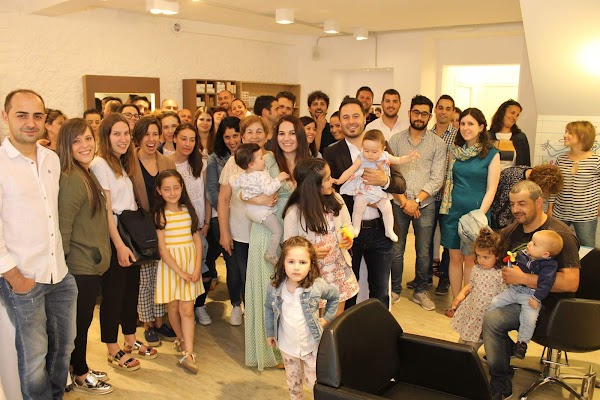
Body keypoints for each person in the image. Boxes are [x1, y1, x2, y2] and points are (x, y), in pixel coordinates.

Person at [0, 89, 78, 399]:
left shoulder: (51, 159)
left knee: (63, 349)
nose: (31, 123)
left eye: (37, 116)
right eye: (22, 115)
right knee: (34, 360)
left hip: (59, 274)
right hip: (23, 277)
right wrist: (14, 277)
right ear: (5, 117)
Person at [482, 180, 580, 400]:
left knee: (492, 320)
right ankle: (503, 354)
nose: (515, 209)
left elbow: (571, 282)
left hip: (550, 306)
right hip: (518, 296)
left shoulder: (559, 234)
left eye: (522, 204)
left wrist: (525, 279)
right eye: (512, 204)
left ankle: (500, 387)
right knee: (481, 306)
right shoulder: (513, 230)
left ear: (538, 202)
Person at [90, 113, 157, 372]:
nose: (123, 138)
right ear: (105, 137)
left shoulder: (122, 163)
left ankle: (130, 339)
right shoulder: (100, 164)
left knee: (131, 291)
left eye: (126, 133)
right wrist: (118, 245)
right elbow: (107, 211)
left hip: (130, 236)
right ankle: (112, 347)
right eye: (116, 134)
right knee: (113, 295)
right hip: (115, 237)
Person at [324, 97, 406, 308]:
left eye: (355, 116)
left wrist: (384, 181)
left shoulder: (380, 146)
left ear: (365, 118)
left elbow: (400, 184)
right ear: (339, 121)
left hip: (381, 231)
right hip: (349, 230)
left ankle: (379, 329)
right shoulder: (332, 152)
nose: (351, 121)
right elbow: (330, 191)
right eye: (345, 117)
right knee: (348, 290)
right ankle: (347, 329)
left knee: (380, 291)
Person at [245, 115, 310, 370]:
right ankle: (269, 352)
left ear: (300, 135)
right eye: (281, 133)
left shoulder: (308, 162)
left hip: (297, 233)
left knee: (292, 294)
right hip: (268, 232)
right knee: (268, 292)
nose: (286, 138)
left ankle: (292, 348)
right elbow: (242, 188)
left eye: (292, 133)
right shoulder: (269, 160)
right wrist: (258, 200)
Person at [57, 118, 113, 395]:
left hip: (89, 265)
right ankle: (80, 373)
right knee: (79, 325)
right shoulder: (71, 178)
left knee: (82, 322)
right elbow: (63, 228)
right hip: (79, 267)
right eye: (76, 141)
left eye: (88, 138)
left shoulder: (85, 173)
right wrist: (64, 268)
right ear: (66, 145)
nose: (84, 145)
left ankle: (79, 366)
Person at [387, 95, 446, 310]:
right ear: (409, 113)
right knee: (396, 249)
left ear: (430, 116)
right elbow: (390, 174)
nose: (419, 117)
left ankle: (420, 291)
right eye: (416, 112)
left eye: (424, 114)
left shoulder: (438, 144)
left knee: (424, 251)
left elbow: (437, 178)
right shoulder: (395, 140)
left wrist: (416, 201)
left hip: (425, 205)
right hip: (398, 203)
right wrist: (405, 202)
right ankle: (394, 289)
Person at [264, 236, 340, 400]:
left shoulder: (317, 285)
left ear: (311, 264)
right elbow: (269, 308)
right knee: (293, 384)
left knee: (315, 384)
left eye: (303, 262)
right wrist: (270, 333)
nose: (296, 267)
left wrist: (326, 318)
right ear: (283, 264)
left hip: (311, 346)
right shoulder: (276, 288)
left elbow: (334, 297)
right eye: (291, 262)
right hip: (288, 347)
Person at [440, 108, 501, 304]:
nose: (465, 128)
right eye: (463, 123)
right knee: (454, 257)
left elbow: (492, 189)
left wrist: (478, 216)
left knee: (470, 260)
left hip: (476, 215)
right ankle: (455, 302)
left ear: (481, 127)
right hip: (452, 211)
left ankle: (466, 302)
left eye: (471, 124)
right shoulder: (455, 151)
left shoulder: (491, 154)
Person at [283, 158, 358, 315]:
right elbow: (288, 246)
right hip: (312, 274)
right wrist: (309, 252)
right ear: (314, 185)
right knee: (315, 320)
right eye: (328, 179)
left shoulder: (336, 200)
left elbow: (348, 225)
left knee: (336, 318)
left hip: (338, 269)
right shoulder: (295, 212)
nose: (332, 181)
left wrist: (348, 237)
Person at [218, 116, 270, 328]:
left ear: (267, 136)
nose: (254, 136)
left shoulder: (272, 160)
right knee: (241, 275)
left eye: (259, 131)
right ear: (242, 136)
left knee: (263, 278)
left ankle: (260, 319)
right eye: (249, 132)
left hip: (266, 231)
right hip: (239, 231)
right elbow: (223, 200)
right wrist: (224, 232)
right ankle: (240, 307)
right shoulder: (233, 162)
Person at [130, 115, 177, 346]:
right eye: (146, 134)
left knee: (161, 276)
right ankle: (147, 323)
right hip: (140, 227)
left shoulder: (166, 162)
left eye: (155, 134)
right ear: (138, 137)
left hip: (163, 224)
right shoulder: (129, 161)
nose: (151, 139)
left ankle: (160, 321)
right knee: (146, 278)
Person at [154, 169, 204, 374]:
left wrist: (197, 267)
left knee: (187, 309)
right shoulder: (160, 215)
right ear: (159, 191)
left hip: (190, 265)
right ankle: (181, 339)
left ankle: (189, 353)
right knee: (173, 308)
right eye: (167, 189)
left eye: (176, 187)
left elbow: (197, 240)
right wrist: (180, 272)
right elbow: (162, 248)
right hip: (171, 267)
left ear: (182, 187)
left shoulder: (188, 210)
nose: (172, 192)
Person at [333, 129, 418, 242]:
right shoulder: (361, 157)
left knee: (387, 209)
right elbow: (350, 170)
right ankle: (356, 228)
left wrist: (409, 158)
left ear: (383, 149)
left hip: (380, 191)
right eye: (366, 150)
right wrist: (339, 180)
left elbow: (399, 160)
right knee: (358, 207)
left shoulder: (385, 156)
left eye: (374, 152)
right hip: (364, 190)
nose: (369, 154)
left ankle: (389, 230)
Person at [488, 229, 562, 359]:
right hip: (514, 290)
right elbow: (512, 260)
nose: (529, 244)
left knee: (529, 318)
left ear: (545, 254)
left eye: (534, 244)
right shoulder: (523, 254)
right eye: (531, 241)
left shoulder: (549, 266)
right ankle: (485, 330)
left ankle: (522, 343)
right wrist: (509, 260)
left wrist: (536, 297)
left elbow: (546, 284)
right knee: (494, 302)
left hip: (530, 295)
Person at [205, 117, 241, 325]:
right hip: (222, 218)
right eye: (227, 137)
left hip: (247, 218)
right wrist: (227, 209)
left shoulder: (251, 155)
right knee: (232, 263)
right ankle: (235, 304)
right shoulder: (214, 159)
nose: (232, 141)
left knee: (247, 264)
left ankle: (250, 304)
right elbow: (212, 190)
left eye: (235, 135)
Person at [230, 143, 289, 264]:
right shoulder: (260, 176)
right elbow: (269, 190)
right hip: (261, 211)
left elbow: (234, 184)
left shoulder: (243, 175)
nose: (264, 160)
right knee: (278, 231)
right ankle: (271, 254)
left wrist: (234, 179)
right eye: (261, 158)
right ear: (251, 164)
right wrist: (279, 178)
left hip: (250, 210)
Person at [450, 228, 505, 351]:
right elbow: (472, 284)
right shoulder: (476, 269)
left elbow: (504, 294)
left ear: (497, 256)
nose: (481, 260)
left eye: (486, 257)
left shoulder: (500, 273)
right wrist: (461, 294)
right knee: (461, 343)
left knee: (471, 347)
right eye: (478, 256)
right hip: (472, 310)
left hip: (485, 314)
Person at [549, 120, 600, 247]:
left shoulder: (596, 161)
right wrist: (550, 207)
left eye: (570, 133)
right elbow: (554, 184)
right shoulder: (561, 159)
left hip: (586, 215)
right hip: (560, 212)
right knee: (554, 246)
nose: (565, 135)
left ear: (583, 136)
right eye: (566, 132)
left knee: (587, 248)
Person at [428, 95, 458, 297]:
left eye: (448, 108)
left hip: (449, 196)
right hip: (430, 195)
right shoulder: (427, 134)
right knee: (427, 239)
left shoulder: (458, 136)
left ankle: (445, 279)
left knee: (448, 240)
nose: (444, 112)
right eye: (440, 107)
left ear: (453, 112)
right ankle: (425, 276)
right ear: (435, 110)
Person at [490, 164, 563, 230]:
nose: (544, 196)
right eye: (545, 192)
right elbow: (502, 211)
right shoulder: (514, 181)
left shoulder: (528, 172)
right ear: (539, 185)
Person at [489, 99, 530, 169]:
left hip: (513, 175)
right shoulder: (488, 136)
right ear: (502, 112)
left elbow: (526, 165)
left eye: (517, 115)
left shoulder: (520, 138)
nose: (514, 117)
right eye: (512, 113)